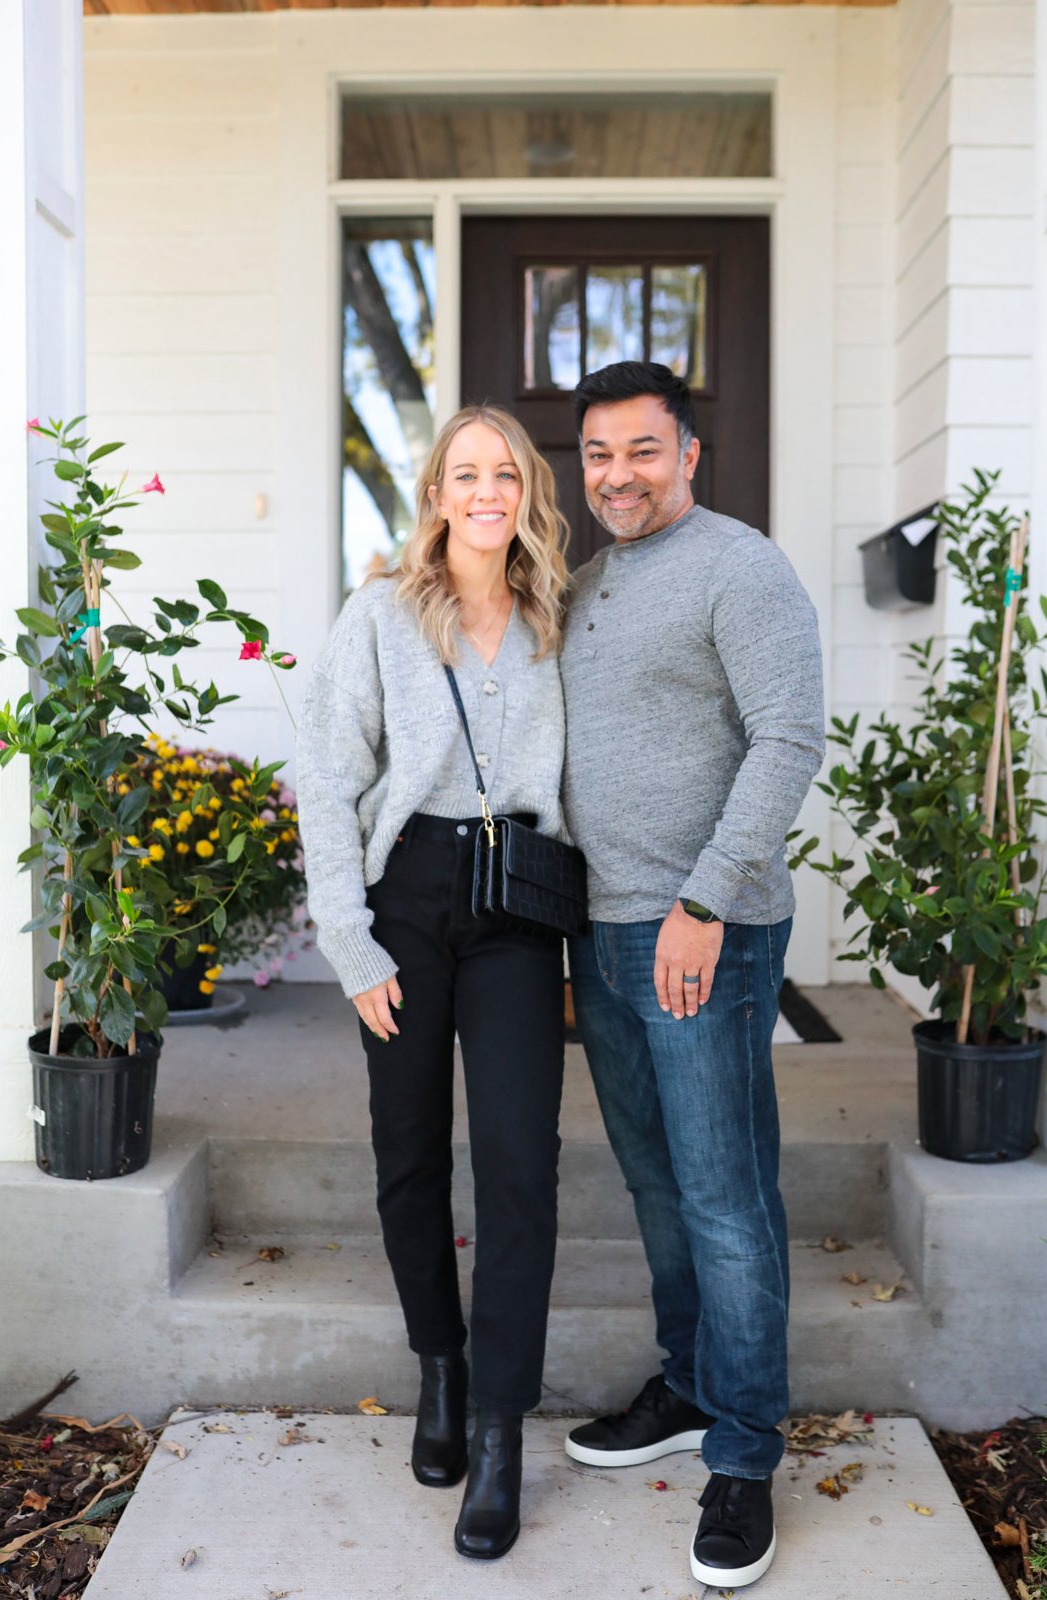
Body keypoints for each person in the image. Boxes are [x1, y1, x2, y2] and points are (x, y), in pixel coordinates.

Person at [560, 361, 824, 1589]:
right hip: (601, 934)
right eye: (598, 453)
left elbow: (788, 737)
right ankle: (688, 1382)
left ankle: (744, 1449)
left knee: (724, 1193)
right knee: (658, 1183)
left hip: (700, 934)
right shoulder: (588, 578)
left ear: (686, 455)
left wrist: (704, 899)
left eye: (642, 451)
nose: (617, 474)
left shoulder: (741, 565)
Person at [296, 405, 570, 1561]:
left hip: (516, 913)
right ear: (436, 492)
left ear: (524, 491)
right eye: (465, 473)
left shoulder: (560, 616)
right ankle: (442, 1373)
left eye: (502, 472)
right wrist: (350, 943)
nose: (485, 490)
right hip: (405, 898)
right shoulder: (379, 616)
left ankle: (500, 1427)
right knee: (408, 1151)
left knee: (519, 1162)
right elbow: (322, 776)